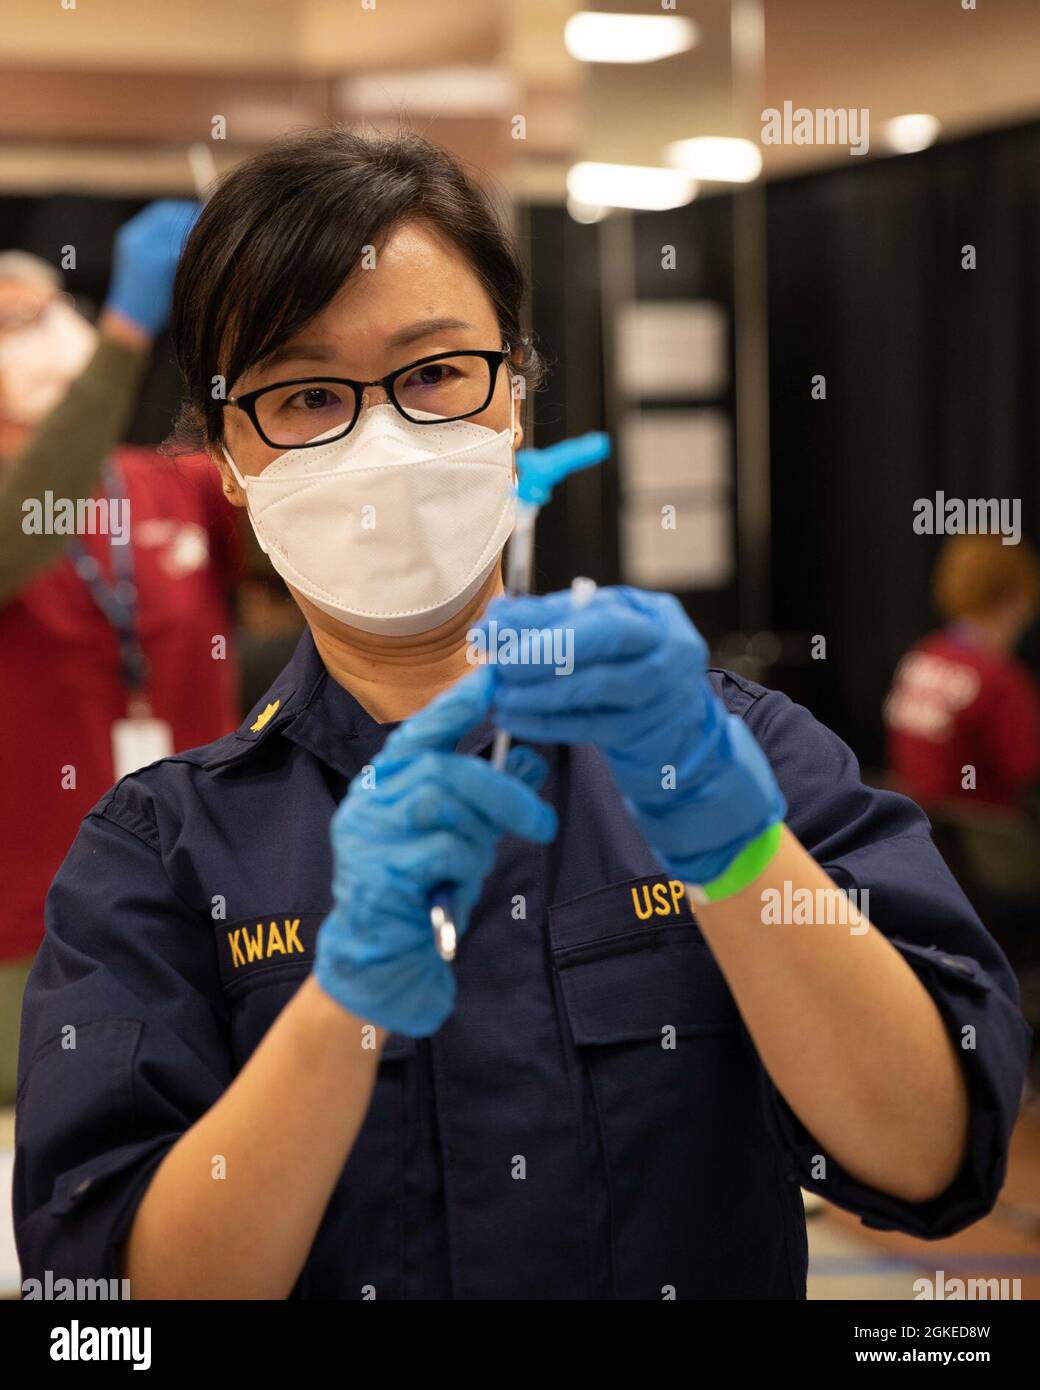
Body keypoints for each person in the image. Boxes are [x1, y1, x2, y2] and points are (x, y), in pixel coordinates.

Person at [14, 129, 1030, 1301]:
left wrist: (741, 853)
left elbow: (931, 1151)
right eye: (303, 395)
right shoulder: (159, 855)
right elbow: (110, 1308)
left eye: (435, 372)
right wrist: (336, 1007)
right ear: (229, 456)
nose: (383, 439)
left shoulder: (742, 753)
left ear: (518, 392)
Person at [0, 205, 241, 1106]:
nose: (47, 332)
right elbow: (29, 516)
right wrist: (126, 329)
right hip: (33, 927)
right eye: (12, 321)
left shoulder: (159, 481)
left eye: (51, 306)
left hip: (199, 897)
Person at [885, 535, 1040, 808]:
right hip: (989, 844)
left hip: (918, 836)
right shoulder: (1001, 680)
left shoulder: (922, 655)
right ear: (1014, 597)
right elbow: (1028, 773)